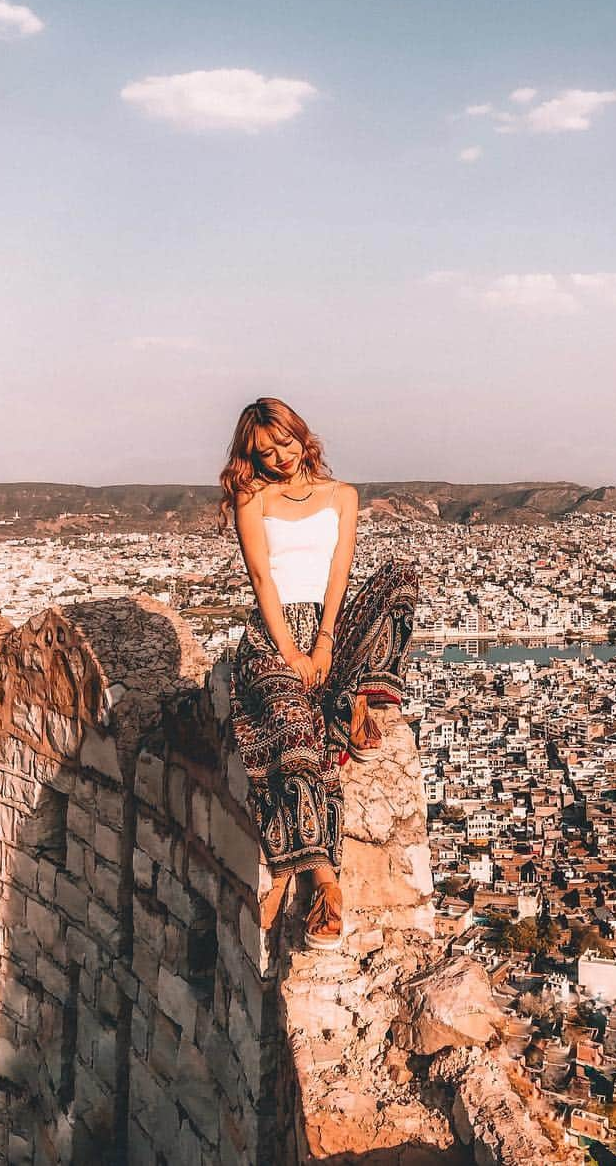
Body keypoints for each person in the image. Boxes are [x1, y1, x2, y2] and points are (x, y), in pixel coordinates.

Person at [217, 397, 418, 949]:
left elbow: (340, 576)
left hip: (326, 626)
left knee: (400, 578)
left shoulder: (342, 497)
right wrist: (293, 652)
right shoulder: (252, 497)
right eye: (264, 451)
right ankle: (322, 880)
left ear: (301, 434)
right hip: (274, 635)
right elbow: (263, 581)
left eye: (284, 442)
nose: (279, 457)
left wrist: (326, 640)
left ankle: (355, 695)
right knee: (293, 732)